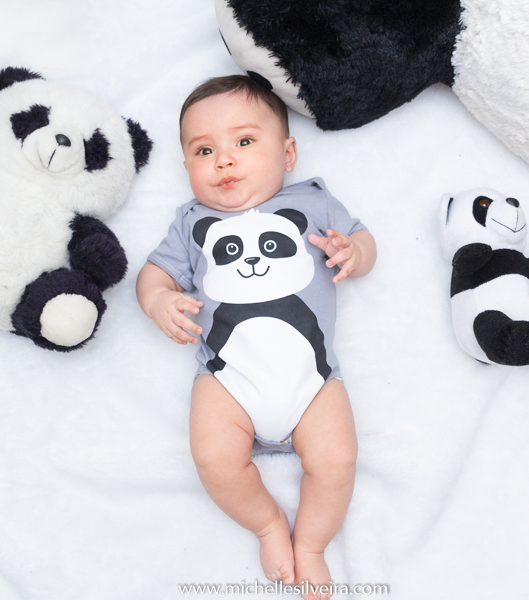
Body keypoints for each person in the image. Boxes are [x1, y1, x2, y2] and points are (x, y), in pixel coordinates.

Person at [136, 75, 376, 600]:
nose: (224, 160)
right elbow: (153, 276)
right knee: (215, 460)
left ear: (288, 152)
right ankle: (268, 525)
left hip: (312, 379)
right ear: (187, 168)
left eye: (244, 142)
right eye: (205, 150)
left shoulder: (313, 201)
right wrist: (159, 301)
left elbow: (363, 241)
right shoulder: (190, 223)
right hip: (228, 384)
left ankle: (310, 544)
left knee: (336, 460)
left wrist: (354, 253)